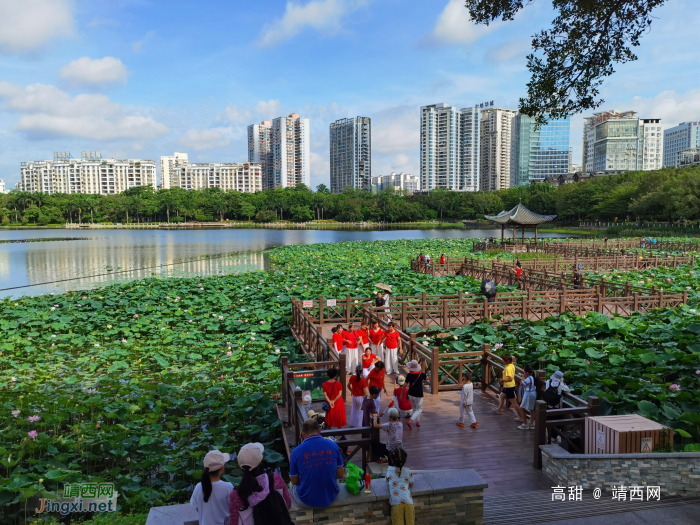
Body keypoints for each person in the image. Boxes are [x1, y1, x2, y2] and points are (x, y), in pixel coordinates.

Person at [228, 443, 291, 525]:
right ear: (260, 462)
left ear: (241, 466)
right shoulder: (275, 479)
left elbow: (234, 522)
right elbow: (288, 504)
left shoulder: (236, 494)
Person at [289, 419, 346, 509]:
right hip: (331, 498)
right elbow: (340, 474)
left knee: (291, 485)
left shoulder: (295, 452)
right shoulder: (333, 446)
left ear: (303, 433)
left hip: (306, 501)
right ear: (319, 430)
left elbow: (294, 481)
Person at [190, 450, 234, 525]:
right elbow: (233, 509)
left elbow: (197, 508)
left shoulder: (198, 487)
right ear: (222, 469)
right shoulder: (228, 487)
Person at [494, 355, 528, 429]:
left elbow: (510, 378)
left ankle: (521, 417)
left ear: (506, 361)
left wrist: (502, 380)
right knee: (501, 396)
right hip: (508, 386)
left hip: (509, 386)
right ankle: (499, 410)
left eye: (502, 359)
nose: (501, 360)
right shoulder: (511, 365)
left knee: (514, 403)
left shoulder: (508, 368)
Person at [385, 448, 414, 525]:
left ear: (392, 460)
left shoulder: (389, 469)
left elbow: (387, 480)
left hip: (396, 503)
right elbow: (410, 483)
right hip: (409, 503)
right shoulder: (407, 470)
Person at [404, 360, 426, 430]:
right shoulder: (422, 375)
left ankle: (418, 422)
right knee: (419, 409)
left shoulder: (409, 375)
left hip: (410, 393)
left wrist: (402, 394)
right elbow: (427, 378)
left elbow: (405, 385)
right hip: (418, 394)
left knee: (414, 409)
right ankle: (411, 421)